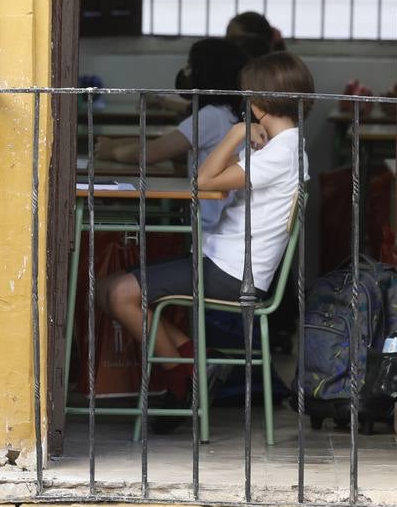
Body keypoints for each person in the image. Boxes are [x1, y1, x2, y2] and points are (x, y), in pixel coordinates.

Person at [99, 52, 314, 426]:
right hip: (224, 262)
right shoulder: (283, 147)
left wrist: (234, 134)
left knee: (118, 293)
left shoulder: (282, 151)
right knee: (106, 289)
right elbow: (216, 176)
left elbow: (203, 181)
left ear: (260, 103)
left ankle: (183, 383)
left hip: (231, 272)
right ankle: (191, 366)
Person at [94, 37, 246, 233]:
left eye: (190, 66)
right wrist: (116, 144)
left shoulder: (210, 116)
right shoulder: (225, 113)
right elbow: (167, 145)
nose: (186, 72)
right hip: (211, 218)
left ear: (206, 74)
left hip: (208, 225)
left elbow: (149, 154)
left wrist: (110, 151)